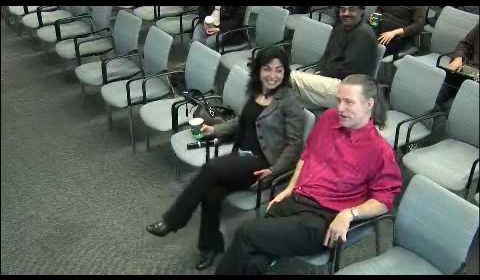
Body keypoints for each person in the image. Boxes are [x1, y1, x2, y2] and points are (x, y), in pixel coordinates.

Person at [215, 74, 403, 275]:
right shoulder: (329, 119)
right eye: (338, 100)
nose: (340, 108)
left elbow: (384, 200)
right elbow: (307, 156)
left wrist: (349, 214)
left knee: (246, 233)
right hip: (296, 200)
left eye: (349, 102)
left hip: (322, 220)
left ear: (369, 104)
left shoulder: (379, 150)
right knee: (255, 259)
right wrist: (289, 188)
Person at [145, 47, 305, 271]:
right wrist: (214, 130)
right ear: (259, 70)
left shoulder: (290, 101)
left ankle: (174, 219)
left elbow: (295, 145)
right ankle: (210, 246)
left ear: (285, 73)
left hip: (262, 164)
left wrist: (275, 170)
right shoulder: (256, 91)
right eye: (267, 69)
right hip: (239, 158)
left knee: (210, 168)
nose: (273, 75)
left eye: (279, 70)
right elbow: (240, 122)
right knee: (212, 193)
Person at [289, 6, 377, 110]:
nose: (346, 13)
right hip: (331, 79)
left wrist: (321, 76)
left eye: (351, 10)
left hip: (349, 88)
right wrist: (319, 72)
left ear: (361, 11)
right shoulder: (340, 28)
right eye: (343, 10)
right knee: (290, 97)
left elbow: (349, 71)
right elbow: (327, 56)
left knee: (289, 77)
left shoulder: (364, 34)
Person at [435, 23, 479, 111]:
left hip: (476, 79)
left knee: (449, 109)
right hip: (468, 70)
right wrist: (458, 58)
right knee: (434, 97)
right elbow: (465, 44)